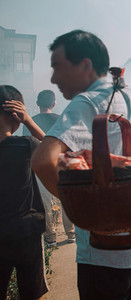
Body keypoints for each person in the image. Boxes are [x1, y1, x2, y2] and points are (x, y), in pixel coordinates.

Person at [31, 30, 131, 300]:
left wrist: (84, 208)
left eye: (57, 67)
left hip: (106, 251)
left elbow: (43, 160)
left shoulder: (87, 102)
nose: (54, 78)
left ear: (86, 66)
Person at [0, 85, 47, 300]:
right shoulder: (25, 145)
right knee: (31, 292)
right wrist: (29, 120)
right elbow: (58, 152)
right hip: (26, 232)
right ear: (16, 115)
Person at [23, 90, 75, 246]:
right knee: (65, 199)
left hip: (40, 168)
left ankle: (50, 237)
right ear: (54, 104)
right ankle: (71, 233)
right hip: (60, 165)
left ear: (37, 103)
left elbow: (28, 147)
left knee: (45, 202)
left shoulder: (30, 122)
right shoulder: (62, 120)